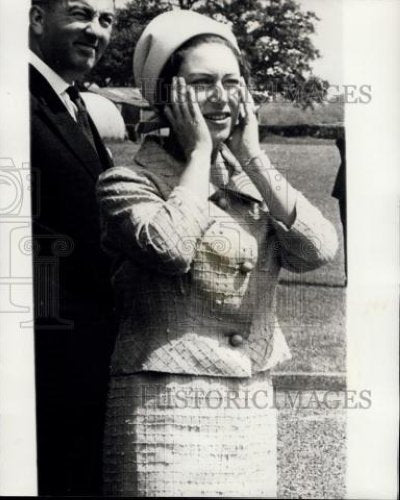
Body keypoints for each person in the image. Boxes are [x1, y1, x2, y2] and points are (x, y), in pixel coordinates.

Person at [97, 10, 339, 497]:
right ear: (167, 98)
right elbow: (169, 247)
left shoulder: (251, 180)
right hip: (162, 406)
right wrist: (199, 156)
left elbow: (319, 250)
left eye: (232, 81)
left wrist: (252, 156)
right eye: (202, 83)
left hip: (247, 400)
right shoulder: (127, 183)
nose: (222, 96)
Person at [29, 0, 117, 495]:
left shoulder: (73, 102)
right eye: (81, 14)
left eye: (106, 21)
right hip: (44, 360)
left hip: (81, 360)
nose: (96, 30)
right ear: (37, 19)